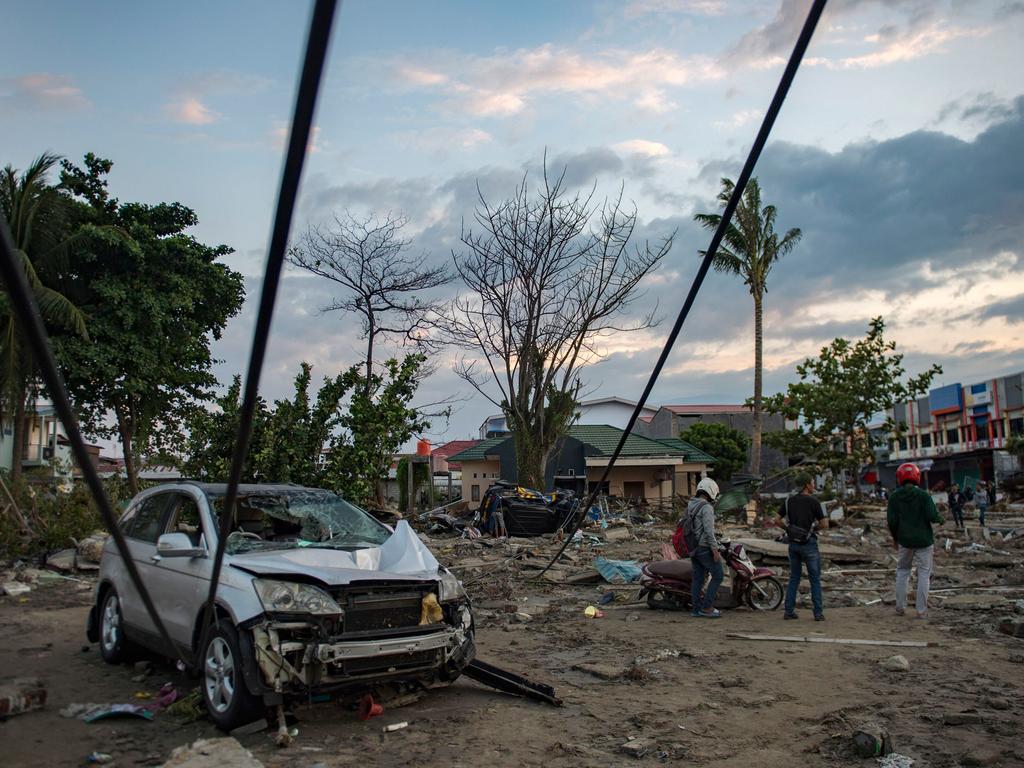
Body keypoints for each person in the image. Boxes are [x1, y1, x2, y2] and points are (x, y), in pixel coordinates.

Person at [888, 463, 943, 619]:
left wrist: (895, 538)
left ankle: (900, 607)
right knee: (924, 574)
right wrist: (940, 518)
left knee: (902, 572)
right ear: (917, 477)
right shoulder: (924, 496)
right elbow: (932, 516)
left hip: (904, 540)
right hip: (924, 540)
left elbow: (892, 522)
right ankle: (921, 610)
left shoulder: (894, 497)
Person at [777, 472, 828, 621]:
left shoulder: (789, 501)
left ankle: (789, 611)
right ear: (807, 485)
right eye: (812, 482)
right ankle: (818, 613)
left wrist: (788, 529)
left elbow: (777, 520)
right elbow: (824, 524)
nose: (814, 485)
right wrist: (812, 530)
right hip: (809, 544)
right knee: (814, 579)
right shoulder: (814, 502)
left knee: (794, 578)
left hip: (793, 544)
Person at [684, 477, 724, 619]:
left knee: (698, 578)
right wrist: (715, 550)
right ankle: (707, 607)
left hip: (693, 547)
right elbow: (708, 531)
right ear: (711, 491)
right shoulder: (706, 507)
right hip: (704, 548)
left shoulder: (691, 505)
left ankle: (696, 609)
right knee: (718, 575)